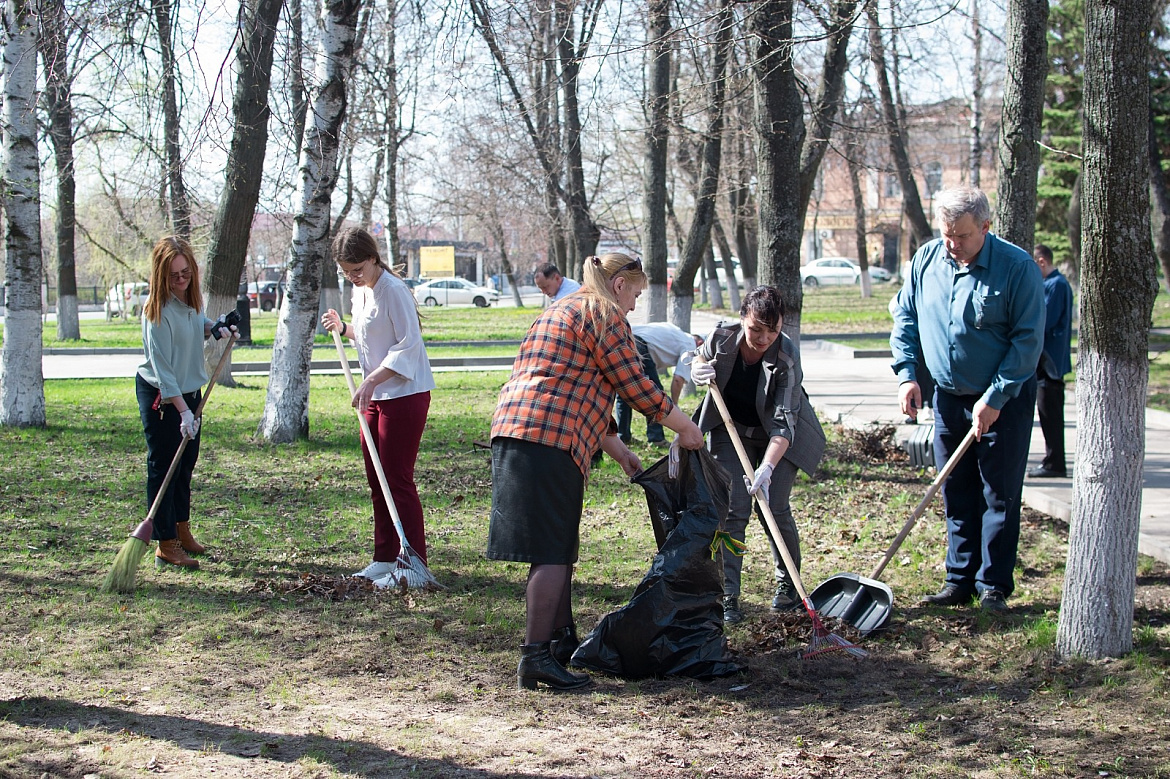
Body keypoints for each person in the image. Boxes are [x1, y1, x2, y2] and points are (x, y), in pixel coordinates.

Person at [489, 252, 705, 691]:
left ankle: (561, 643)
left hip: (514, 430)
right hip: (550, 437)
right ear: (620, 284)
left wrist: (620, 449)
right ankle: (535, 659)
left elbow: (572, 382)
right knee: (553, 551)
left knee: (556, 545)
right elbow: (636, 387)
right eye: (636, 296)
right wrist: (686, 428)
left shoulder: (560, 310)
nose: (633, 307)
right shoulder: (604, 314)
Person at [890, 186, 1044, 613]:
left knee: (998, 492)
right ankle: (959, 579)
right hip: (948, 398)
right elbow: (905, 316)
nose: (952, 244)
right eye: (946, 234)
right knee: (954, 488)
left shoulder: (1016, 268)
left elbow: (1028, 341)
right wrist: (907, 376)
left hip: (1004, 400)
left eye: (961, 236)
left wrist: (995, 396)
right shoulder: (927, 259)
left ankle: (992, 584)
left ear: (985, 228)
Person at [690, 286, 827, 624]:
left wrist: (766, 468)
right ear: (742, 320)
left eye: (772, 330)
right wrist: (697, 370)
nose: (763, 337)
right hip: (730, 429)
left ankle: (788, 588)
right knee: (733, 509)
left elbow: (784, 424)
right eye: (755, 329)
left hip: (777, 438)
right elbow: (699, 358)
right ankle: (728, 596)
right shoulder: (722, 336)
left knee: (774, 508)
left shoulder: (787, 357)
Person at [322, 227, 435, 587]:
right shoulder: (362, 292)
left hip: (404, 394)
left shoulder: (394, 291)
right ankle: (385, 558)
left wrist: (372, 379)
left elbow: (407, 344)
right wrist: (344, 329)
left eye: (357, 269)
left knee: (397, 479)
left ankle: (414, 563)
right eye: (346, 272)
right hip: (373, 398)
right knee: (377, 480)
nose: (352, 277)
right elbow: (369, 333)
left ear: (372, 258)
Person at [136, 236, 238, 569]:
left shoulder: (190, 301)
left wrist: (215, 327)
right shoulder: (156, 312)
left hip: (191, 393)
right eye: (174, 275)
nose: (181, 280)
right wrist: (183, 413)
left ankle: (182, 530)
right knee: (164, 468)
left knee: (184, 466)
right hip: (162, 398)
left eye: (186, 273)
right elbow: (164, 373)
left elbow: (195, 327)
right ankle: (165, 543)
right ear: (160, 275)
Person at [616, 322, 703, 447]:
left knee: (625, 391)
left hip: (624, 339)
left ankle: (623, 436)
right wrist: (675, 404)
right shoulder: (690, 345)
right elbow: (678, 379)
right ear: (700, 343)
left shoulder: (677, 332)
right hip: (639, 345)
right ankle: (656, 437)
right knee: (654, 393)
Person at [1028, 244, 1074, 479]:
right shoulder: (1054, 284)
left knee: (1051, 414)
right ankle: (1052, 460)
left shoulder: (1055, 285)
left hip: (1050, 363)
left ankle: (1054, 462)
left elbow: (1043, 321)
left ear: (1042, 262)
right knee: (1047, 413)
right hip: (1047, 361)